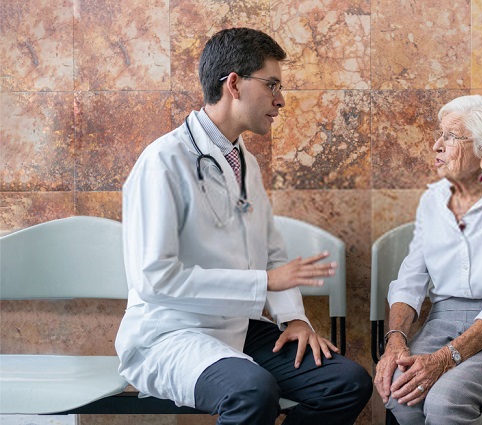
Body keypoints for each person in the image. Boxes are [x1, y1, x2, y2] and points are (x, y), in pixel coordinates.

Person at [115, 27, 372, 425]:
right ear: (233, 84)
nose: (280, 100)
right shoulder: (163, 162)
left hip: (238, 325)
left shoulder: (243, 161)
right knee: (252, 390)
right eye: (271, 85)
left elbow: (272, 250)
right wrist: (264, 284)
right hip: (172, 332)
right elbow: (155, 279)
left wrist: (295, 319)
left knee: (346, 382)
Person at [374, 95, 482, 425]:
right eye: (440, 134)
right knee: (400, 391)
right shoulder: (433, 200)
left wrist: (444, 359)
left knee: (445, 402)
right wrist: (395, 341)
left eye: (451, 137)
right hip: (443, 319)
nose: (437, 145)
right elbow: (411, 279)